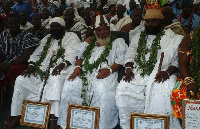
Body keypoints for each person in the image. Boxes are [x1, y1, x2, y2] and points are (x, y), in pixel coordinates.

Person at [115, 6, 184, 129]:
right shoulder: (138, 36)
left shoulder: (171, 38)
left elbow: (176, 60)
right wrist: (129, 70)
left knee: (164, 93)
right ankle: (130, 125)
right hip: (138, 72)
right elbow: (130, 53)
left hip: (162, 73)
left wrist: (167, 73)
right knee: (122, 89)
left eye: (154, 21)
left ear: (161, 22)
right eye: (147, 21)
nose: (150, 24)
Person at [7, 17, 81, 129]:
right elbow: (36, 54)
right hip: (42, 69)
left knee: (55, 81)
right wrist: (31, 66)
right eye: (52, 26)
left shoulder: (72, 37)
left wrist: (61, 65)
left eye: (57, 26)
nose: (54, 29)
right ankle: (17, 114)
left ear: (63, 27)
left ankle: (53, 118)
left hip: (64, 69)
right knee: (21, 80)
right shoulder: (47, 38)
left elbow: (74, 53)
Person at [57, 15, 128, 129]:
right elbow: (79, 56)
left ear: (109, 29)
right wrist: (77, 68)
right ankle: (70, 124)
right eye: (100, 30)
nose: (103, 32)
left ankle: (100, 125)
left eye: (106, 29)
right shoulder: (89, 41)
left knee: (102, 91)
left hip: (106, 73)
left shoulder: (118, 42)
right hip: (86, 71)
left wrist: (109, 70)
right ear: (95, 31)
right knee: (70, 86)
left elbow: (121, 59)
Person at [0, 14, 39, 112]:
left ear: (19, 23)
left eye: (16, 23)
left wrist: (6, 66)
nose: (13, 25)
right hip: (6, 62)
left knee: (13, 70)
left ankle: (14, 107)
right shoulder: (4, 35)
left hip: (22, 64)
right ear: (7, 24)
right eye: (11, 23)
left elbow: (26, 57)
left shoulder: (27, 36)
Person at [171, 27, 200, 120]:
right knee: (179, 93)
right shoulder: (189, 38)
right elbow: (182, 64)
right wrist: (190, 82)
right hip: (190, 74)